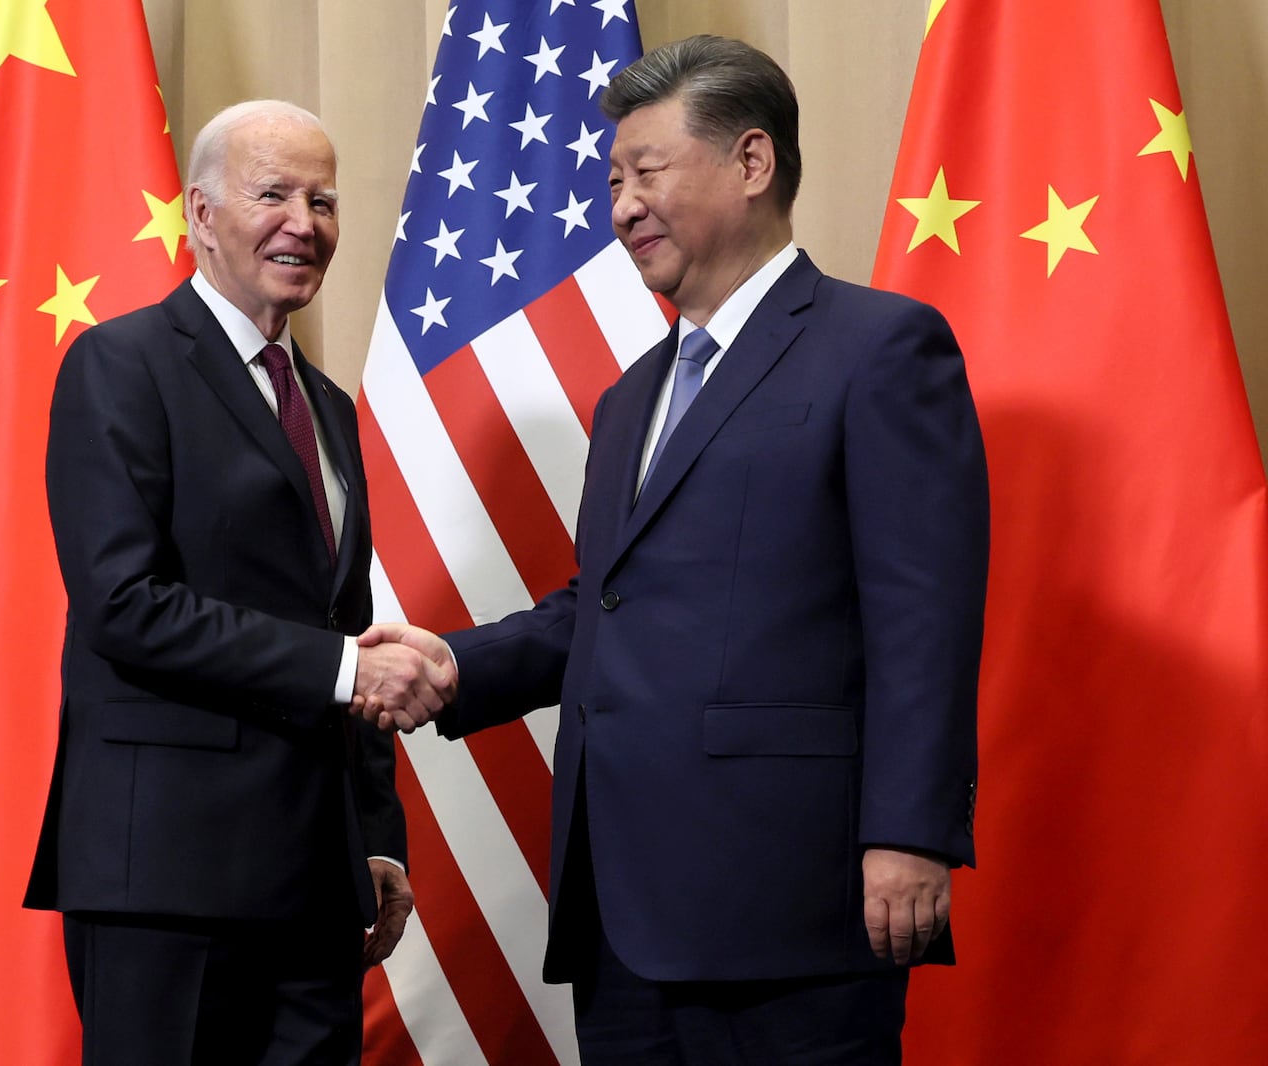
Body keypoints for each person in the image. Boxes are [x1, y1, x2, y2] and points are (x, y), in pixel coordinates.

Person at [358, 36, 989, 1064]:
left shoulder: (879, 349)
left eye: (646, 172)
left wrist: (910, 833)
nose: (621, 207)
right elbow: (603, 606)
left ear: (752, 163)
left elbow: (923, 616)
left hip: (790, 904)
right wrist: (456, 663)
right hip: (620, 910)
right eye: (611, 182)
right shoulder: (629, 399)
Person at [24, 99, 454, 1065]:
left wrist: (376, 838)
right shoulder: (120, 364)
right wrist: (346, 669)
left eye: (325, 199)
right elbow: (123, 606)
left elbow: (348, 625)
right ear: (202, 214)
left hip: (312, 880)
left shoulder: (331, 409)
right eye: (274, 193)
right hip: (166, 878)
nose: (305, 221)